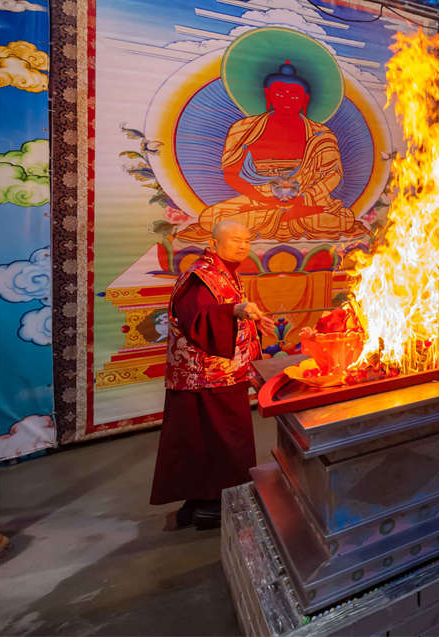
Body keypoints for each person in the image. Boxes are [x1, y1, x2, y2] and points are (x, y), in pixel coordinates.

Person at [150, 220, 276, 530]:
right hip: (206, 377)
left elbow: (228, 312)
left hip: (221, 375)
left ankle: (206, 503)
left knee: (209, 440)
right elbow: (196, 318)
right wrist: (234, 312)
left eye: (247, 240)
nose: (243, 246)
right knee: (221, 441)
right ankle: (217, 504)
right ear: (213, 243)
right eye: (235, 240)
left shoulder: (224, 272)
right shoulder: (200, 276)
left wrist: (252, 321)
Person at [177, 61, 368, 243]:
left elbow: (333, 176)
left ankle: (288, 216)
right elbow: (231, 174)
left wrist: (304, 199)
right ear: (268, 95)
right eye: (279, 93)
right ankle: (287, 218)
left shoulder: (321, 134)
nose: (286, 99)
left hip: (305, 198)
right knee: (210, 217)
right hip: (261, 198)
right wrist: (263, 199)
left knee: (343, 218)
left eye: (294, 95)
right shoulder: (244, 129)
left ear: (305, 99)